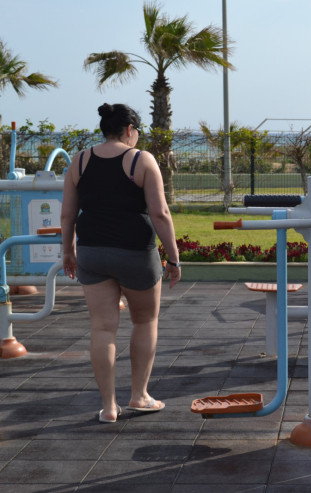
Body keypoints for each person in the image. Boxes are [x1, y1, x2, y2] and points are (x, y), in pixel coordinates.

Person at [61, 103, 181, 423]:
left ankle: (109, 407)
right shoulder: (141, 160)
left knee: (102, 327)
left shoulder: (79, 161)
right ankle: (139, 396)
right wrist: (173, 256)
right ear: (130, 130)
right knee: (145, 321)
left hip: (92, 252)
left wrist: (67, 252)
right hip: (135, 253)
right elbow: (160, 213)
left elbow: (68, 215)